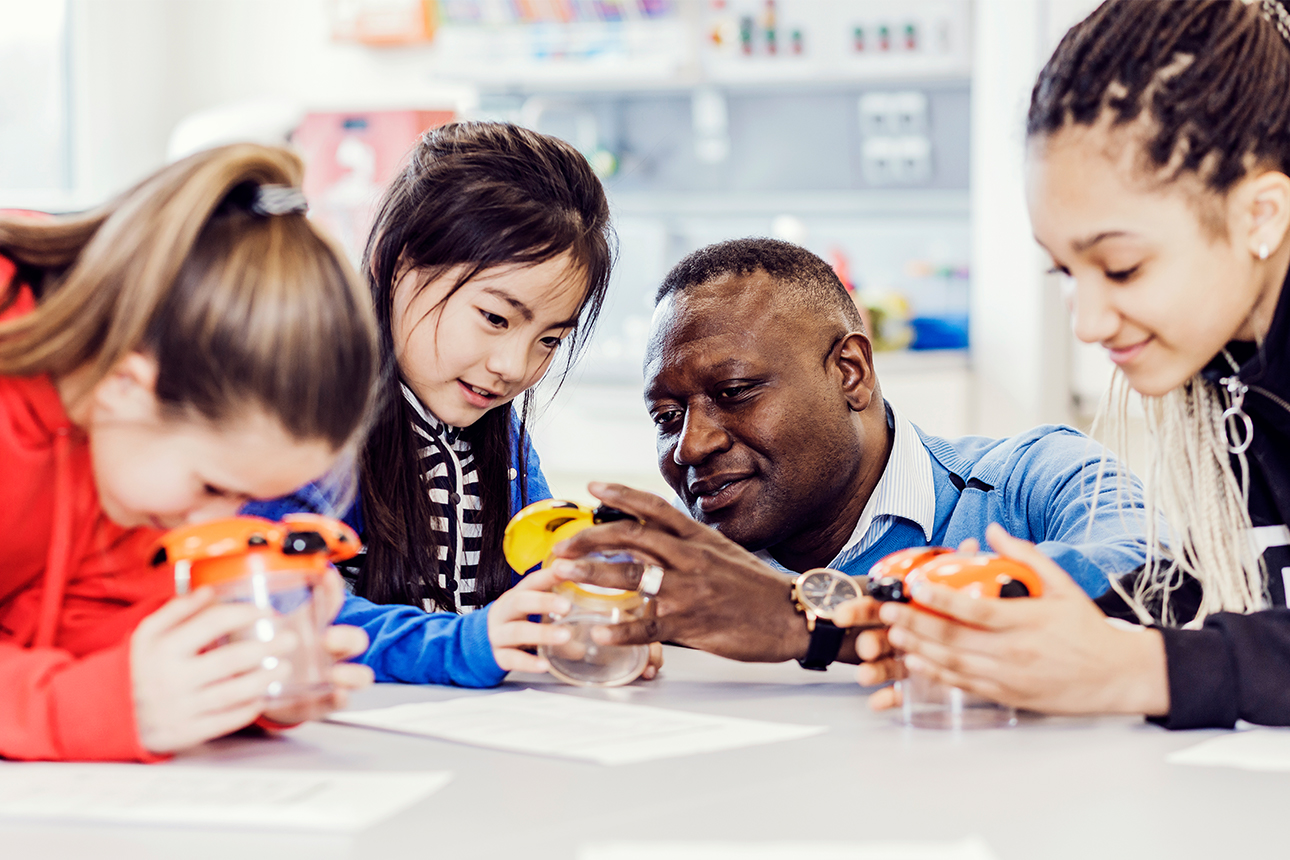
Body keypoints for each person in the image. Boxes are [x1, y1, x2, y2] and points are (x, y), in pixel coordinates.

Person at [842, 0, 1290, 729]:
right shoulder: (1231, 368)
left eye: (1121, 267)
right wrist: (1007, 644)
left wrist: (1140, 669)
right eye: (1065, 274)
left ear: (1260, 216)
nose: (1087, 324)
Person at [546, 237, 1149, 670]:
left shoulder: (1030, 480)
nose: (691, 444)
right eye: (666, 418)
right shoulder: (681, 582)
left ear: (850, 372)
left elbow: (1155, 580)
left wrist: (807, 614)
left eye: (733, 393)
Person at [0, 144, 381, 761]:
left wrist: (235, 677)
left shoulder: (125, 458)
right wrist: (93, 710)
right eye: (213, 487)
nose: (220, 523)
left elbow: (85, 626)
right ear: (126, 384)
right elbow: (81, 698)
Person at [248, 121, 662, 686]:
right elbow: (284, 604)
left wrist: (590, 619)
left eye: (549, 340)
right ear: (396, 265)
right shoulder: (308, 421)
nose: (514, 366)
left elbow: (535, 580)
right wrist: (461, 644)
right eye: (495, 317)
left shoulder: (505, 440)